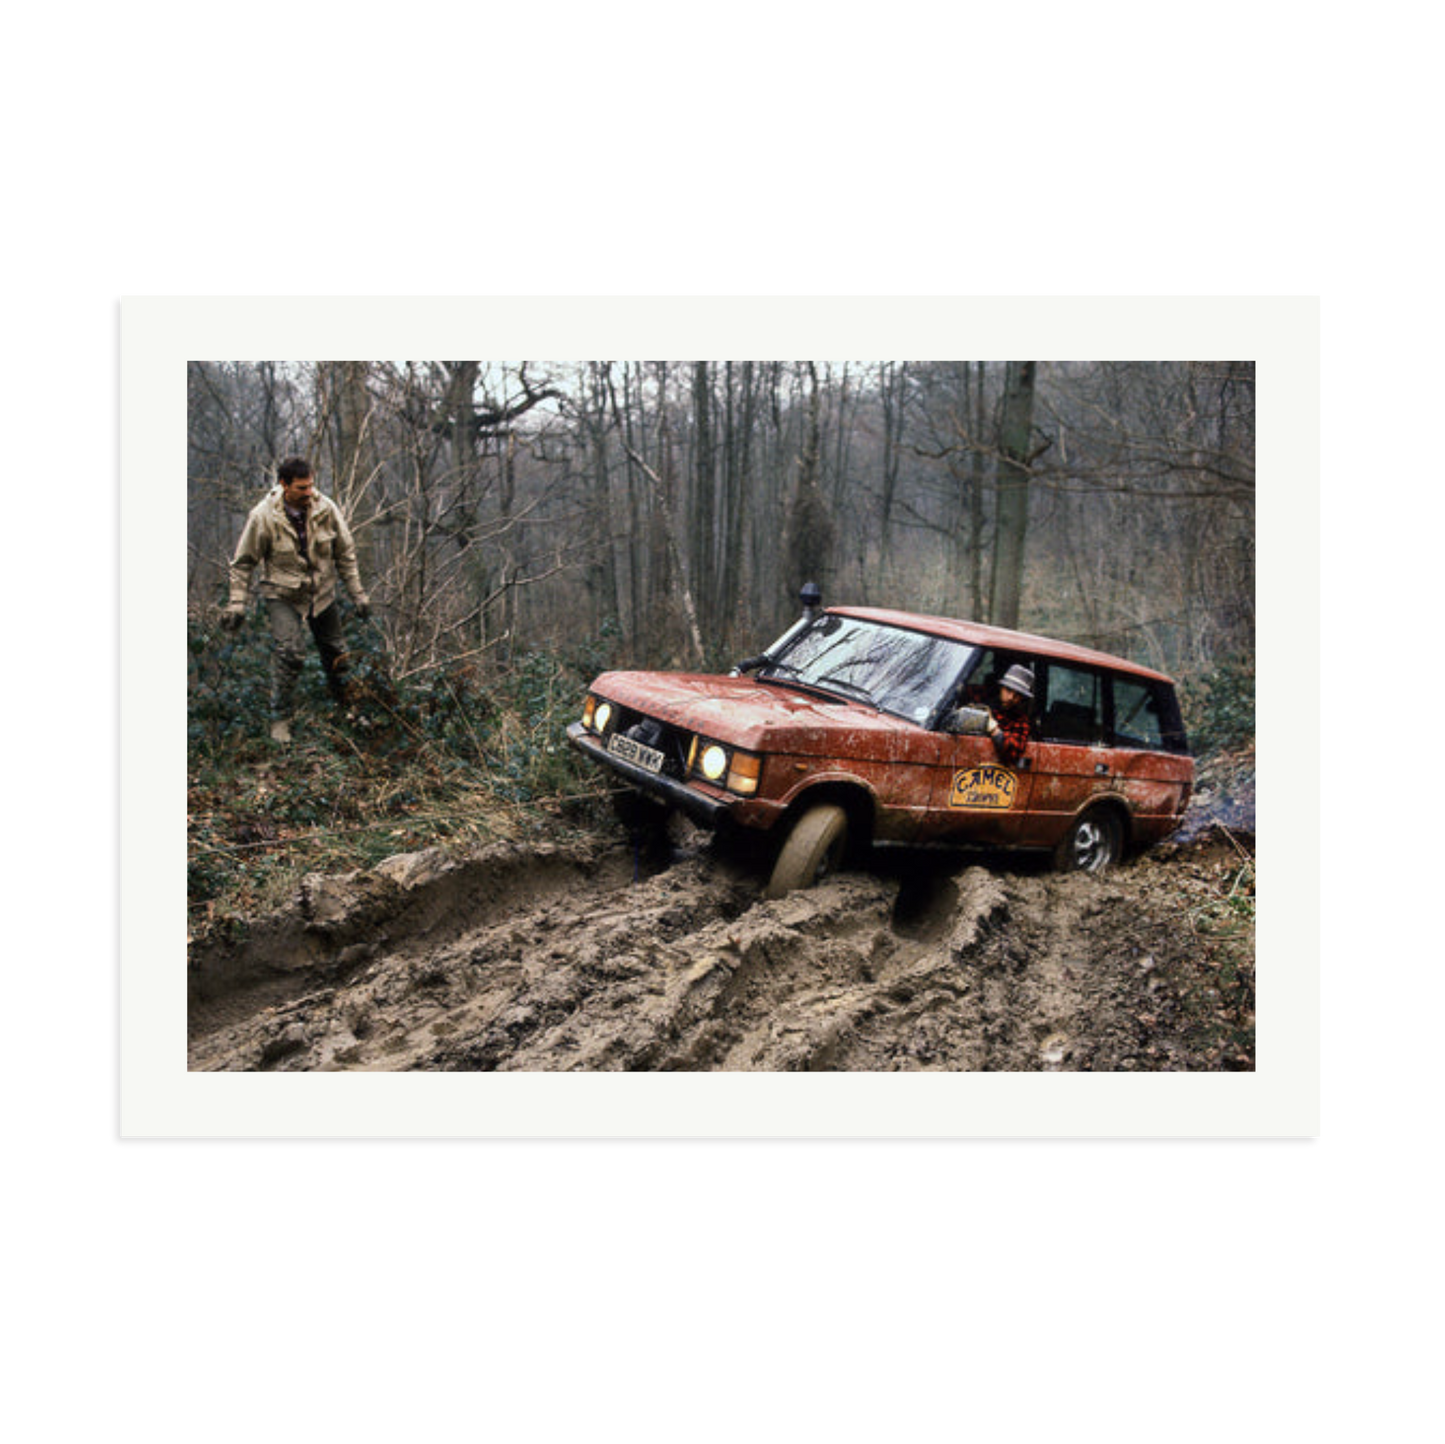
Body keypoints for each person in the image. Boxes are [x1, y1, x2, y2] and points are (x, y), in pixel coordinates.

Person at [221, 457, 372, 743]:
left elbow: (345, 554)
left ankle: (351, 710)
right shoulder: (263, 517)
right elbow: (243, 563)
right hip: (282, 593)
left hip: (322, 592)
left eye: (311, 486)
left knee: (337, 652)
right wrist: (237, 602)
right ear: (284, 485)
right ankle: (280, 719)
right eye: (301, 488)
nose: (308, 493)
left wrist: (358, 594)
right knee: (290, 653)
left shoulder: (326, 509)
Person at [987, 664, 1034, 765]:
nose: (1011, 698)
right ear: (1001, 688)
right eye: (1008, 690)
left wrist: (995, 731)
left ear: (1022, 699)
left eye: (1017, 695)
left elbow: (1014, 750)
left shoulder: (1021, 721)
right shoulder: (984, 704)